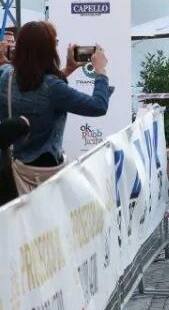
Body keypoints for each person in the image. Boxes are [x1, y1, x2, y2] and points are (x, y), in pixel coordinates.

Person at [0, 21, 111, 192]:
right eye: (55, 43)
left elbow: (34, 88)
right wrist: (101, 72)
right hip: (46, 177)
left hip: (15, 171)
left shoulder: (6, 77)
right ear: (48, 50)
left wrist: (68, 69)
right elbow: (98, 106)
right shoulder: (53, 88)